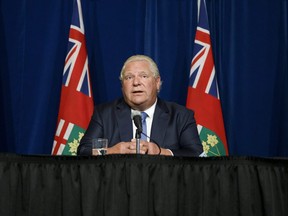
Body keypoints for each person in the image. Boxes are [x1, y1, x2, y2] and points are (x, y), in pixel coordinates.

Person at [77, 54, 203, 157]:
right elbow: (83, 151)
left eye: (143, 76)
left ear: (157, 82)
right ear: (122, 85)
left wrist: (161, 152)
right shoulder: (104, 114)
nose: (136, 82)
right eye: (129, 77)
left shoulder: (180, 115)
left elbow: (196, 154)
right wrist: (112, 151)